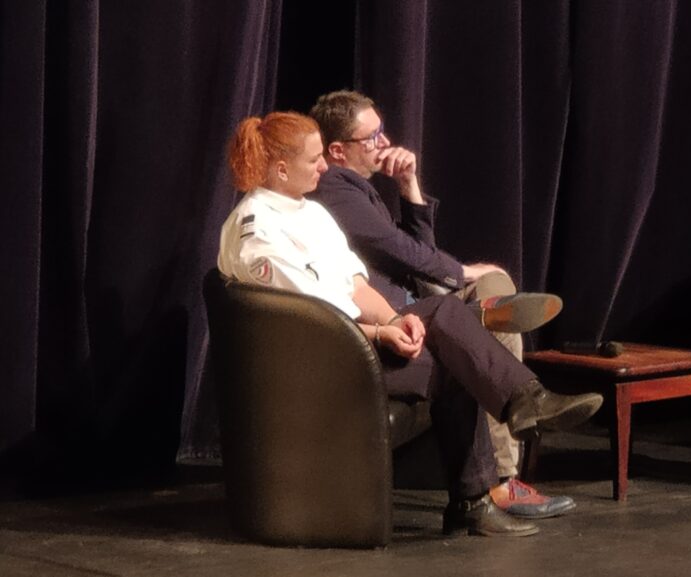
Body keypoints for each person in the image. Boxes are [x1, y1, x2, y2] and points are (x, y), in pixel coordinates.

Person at [216, 111, 603, 535]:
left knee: (447, 318)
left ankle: (524, 403)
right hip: (321, 361)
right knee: (461, 356)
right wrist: (382, 333)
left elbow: (355, 284)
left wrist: (396, 318)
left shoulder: (308, 211)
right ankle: (484, 480)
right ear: (281, 168)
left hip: (354, 338)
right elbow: (308, 324)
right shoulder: (259, 232)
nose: (325, 166)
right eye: (314, 161)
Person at [307, 90, 573, 519]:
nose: (384, 141)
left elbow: (417, 250)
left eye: (381, 131)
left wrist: (410, 186)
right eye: (371, 137)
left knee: (494, 282)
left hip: (416, 297)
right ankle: (505, 475)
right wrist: (458, 271)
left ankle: (488, 324)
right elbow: (401, 250)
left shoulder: (361, 187)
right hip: (396, 313)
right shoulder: (335, 188)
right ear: (337, 150)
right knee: (482, 312)